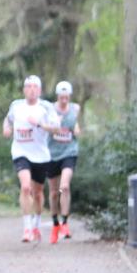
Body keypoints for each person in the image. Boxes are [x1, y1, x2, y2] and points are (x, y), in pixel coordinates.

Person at [2, 75, 60, 243]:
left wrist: (39, 124)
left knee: (38, 193)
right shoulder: (16, 106)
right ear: (24, 89)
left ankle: (36, 224)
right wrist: (7, 128)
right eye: (28, 86)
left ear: (40, 90)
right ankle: (27, 228)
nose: (31, 90)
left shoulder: (46, 107)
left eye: (35, 87)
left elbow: (56, 129)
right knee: (25, 187)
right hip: (21, 151)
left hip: (41, 155)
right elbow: (8, 120)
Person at [47, 80, 81, 244]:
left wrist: (77, 130)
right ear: (58, 96)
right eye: (61, 97)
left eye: (67, 97)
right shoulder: (50, 109)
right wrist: (53, 127)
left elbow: (76, 126)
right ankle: (55, 224)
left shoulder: (75, 109)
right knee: (54, 193)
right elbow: (44, 126)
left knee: (64, 186)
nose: (64, 100)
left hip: (69, 152)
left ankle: (65, 223)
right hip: (51, 154)